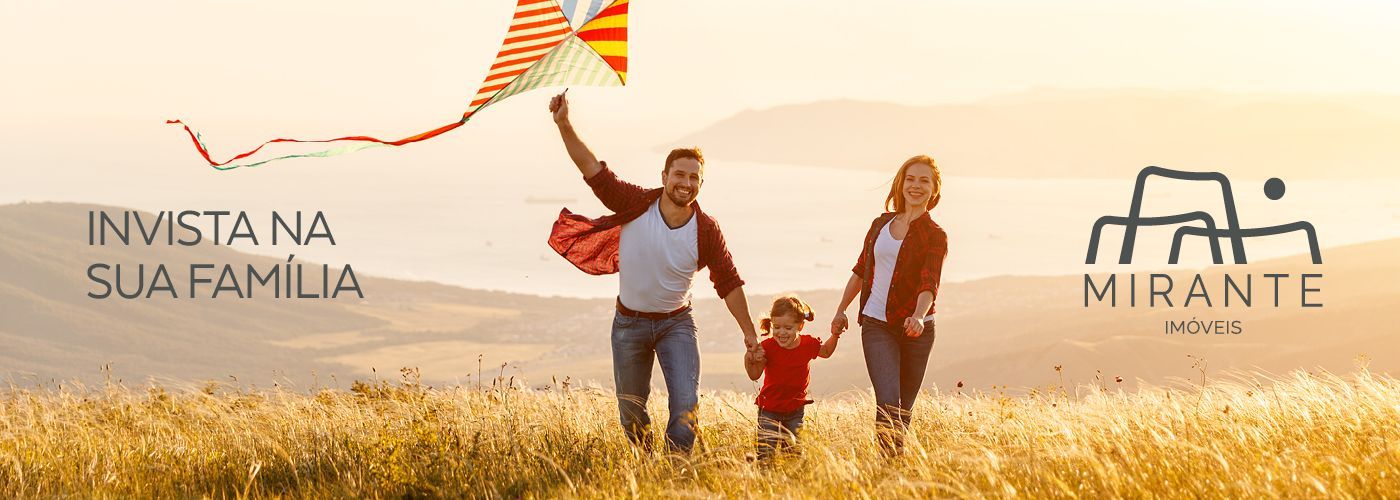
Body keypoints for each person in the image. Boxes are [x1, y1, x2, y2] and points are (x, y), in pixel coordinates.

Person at [545, 91, 760, 454]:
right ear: (664, 176)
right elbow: (592, 169)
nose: (686, 182)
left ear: (701, 185)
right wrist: (564, 123)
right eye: (679, 174)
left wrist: (750, 335)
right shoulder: (635, 203)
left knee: (686, 404)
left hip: (677, 323)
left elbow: (729, 282)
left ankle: (677, 466)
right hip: (629, 323)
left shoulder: (706, 229)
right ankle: (645, 462)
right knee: (631, 408)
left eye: (694, 177)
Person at [829, 155, 948, 455]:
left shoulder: (935, 235)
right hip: (876, 325)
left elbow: (929, 281)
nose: (916, 186)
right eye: (910, 179)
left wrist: (919, 316)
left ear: (934, 190)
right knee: (888, 403)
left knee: (903, 411)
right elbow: (860, 269)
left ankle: (892, 472)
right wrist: (842, 309)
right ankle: (890, 467)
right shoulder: (879, 224)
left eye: (924, 181)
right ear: (901, 183)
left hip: (917, 332)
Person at [744, 295, 840, 461]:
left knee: (793, 455)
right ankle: (764, 480)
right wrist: (749, 357)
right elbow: (754, 375)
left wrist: (835, 335)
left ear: (800, 326)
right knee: (766, 454)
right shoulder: (767, 347)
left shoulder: (808, 344)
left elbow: (825, 352)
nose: (781, 333)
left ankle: (790, 482)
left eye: (788, 328)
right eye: (777, 327)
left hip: (795, 410)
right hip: (769, 409)